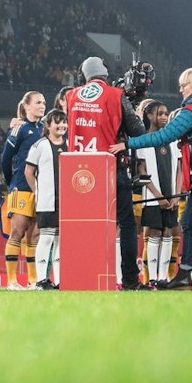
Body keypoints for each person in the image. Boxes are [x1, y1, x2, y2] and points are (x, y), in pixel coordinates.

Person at [123, 67, 192, 290]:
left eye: (184, 84)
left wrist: (128, 144)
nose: (180, 88)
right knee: (188, 223)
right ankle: (185, 272)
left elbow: (164, 136)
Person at [64, 57, 145, 289]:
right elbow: (138, 131)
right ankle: (129, 279)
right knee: (126, 224)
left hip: (79, 171)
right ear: (105, 75)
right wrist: (132, 106)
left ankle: (83, 276)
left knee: (84, 225)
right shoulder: (115, 95)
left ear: (84, 76)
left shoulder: (71, 96)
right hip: (110, 167)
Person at [0, 91, 45, 290]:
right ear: (26, 106)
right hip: (22, 187)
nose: (42, 106)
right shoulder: (20, 128)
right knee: (17, 231)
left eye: (43, 102)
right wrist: (12, 182)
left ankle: (33, 281)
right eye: (38, 102)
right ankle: (12, 281)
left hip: (41, 188)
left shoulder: (44, 129)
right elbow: (6, 159)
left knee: (34, 236)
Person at [134, 100, 179, 288]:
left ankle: (163, 277)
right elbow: (142, 172)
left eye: (165, 113)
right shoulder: (143, 140)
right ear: (149, 116)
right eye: (159, 113)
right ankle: (151, 277)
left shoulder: (173, 140)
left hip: (171, 196)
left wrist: (176, 194)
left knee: (168, 232)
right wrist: (157, 195)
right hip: (153, 197)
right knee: (153, 233)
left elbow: (180, 169)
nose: (163, 117)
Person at [22, 110, 66, 289]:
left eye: (64, 122)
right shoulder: (40, 145)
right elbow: (28, 172)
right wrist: (38, 192)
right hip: (47, 200)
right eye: (57, 122)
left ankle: (59, 280)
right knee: (46, 238)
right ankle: (41, 280)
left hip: (65, 201)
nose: (61, 125)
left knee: (60, 241)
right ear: (47, 125)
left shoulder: (70, 144)